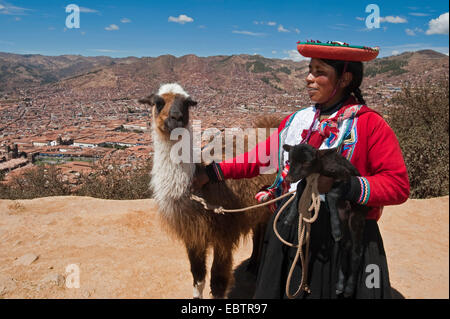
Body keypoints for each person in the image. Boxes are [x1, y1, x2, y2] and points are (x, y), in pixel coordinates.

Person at [192, 41, 410, 299]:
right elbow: (260, 158)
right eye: (309, 70)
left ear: (344, 79)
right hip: (291, 229)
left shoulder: (370, 125)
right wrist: (213, 173)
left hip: (346, 238)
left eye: (319, 72)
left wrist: (345, 186)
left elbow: (397, 185)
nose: (308, 78)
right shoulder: (297, 122)